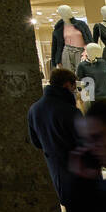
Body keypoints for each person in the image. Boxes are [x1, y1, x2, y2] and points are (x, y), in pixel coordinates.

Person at [27, 67, 81, 203]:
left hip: (56, 170)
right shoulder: (70, 111)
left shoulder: (34, 109)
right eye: (74, 87)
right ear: (67, 84)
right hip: (79, 172)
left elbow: (36, 142)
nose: (74, 91)